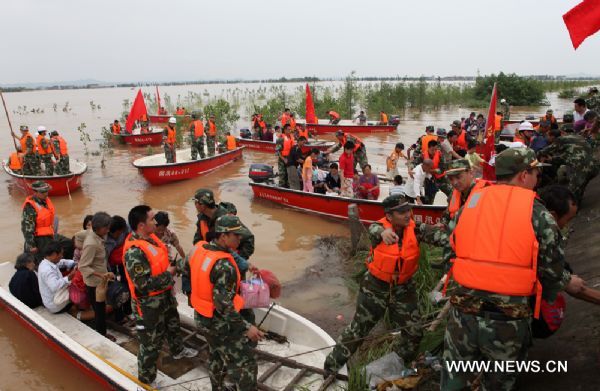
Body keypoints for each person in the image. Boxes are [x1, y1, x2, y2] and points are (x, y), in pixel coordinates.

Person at [441, 148, 584, 390]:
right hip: (506, 322)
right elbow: (551, 271)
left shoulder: (471, 204)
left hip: (461, 314)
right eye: (536, 173)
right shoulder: (537, 212)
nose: (538, 179)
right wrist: (563, 286)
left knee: (453, 382)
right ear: (523, 175)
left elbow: (450, 250)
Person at [324, 194, 446, 376]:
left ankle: (399, 362)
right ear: (389, 216)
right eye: (401, 212)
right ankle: (331, 367)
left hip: (404, 289)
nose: (407, 214)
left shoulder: (417, 229)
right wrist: (382, 233)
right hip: (375, 287)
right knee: (358, 330)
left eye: (408, 210)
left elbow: (444, 238)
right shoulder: (380, 228)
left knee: (414, 331)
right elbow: (373, 228)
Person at [186, 215, 263, 390]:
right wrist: (247, 327)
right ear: (223, 236)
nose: (240, 238)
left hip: (201, 317)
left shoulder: (199, 249)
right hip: (219, 323)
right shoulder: (224, 266)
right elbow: (223, 305)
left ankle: (217, 387)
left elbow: (186, 269)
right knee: (247, 365)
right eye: (236, 235)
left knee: (216, 353)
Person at [123, 205, 197, 386]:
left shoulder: (153, 238)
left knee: (173, 324)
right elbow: (143, 285)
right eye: (151, 219)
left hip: (164, 296)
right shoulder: (134, 252)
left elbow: (163, 262)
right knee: (150, 344)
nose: (155, 222)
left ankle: (178, 350)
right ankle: (146, 380)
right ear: (141, 225)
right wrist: (170, 274)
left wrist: (180, 266)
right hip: (148, 304)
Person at [79, 212, 114, 338]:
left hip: (100, 279)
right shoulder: (91, 244)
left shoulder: (93, 234)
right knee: (99, 310)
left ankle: (102, 327)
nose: (108, 230)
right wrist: (101, 275)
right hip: (95, 283)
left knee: (101, 307)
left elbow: (78, 235)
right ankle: (102, 334)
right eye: (106, 227)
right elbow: (82, 266)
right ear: (98, 228)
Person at [22, 181, 56, 263]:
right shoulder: (30, 206)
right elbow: (27, 227)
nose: (46, 194)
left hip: (48, 235)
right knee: (41, 261)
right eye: (42, 192)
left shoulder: (46, 201)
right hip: (38, 239)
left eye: (46, 191)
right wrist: (32, 245)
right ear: (35, 192)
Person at [38, 241, 76, 313]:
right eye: (61, 254)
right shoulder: (47, 270)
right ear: (54, 254)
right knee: (80, 289)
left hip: (52, 298)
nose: (62, 256)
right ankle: (82, 312)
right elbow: (55, 286)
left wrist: (75, 262)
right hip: (55, 304)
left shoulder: (46, 262)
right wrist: (69, 277)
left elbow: (61, 262)